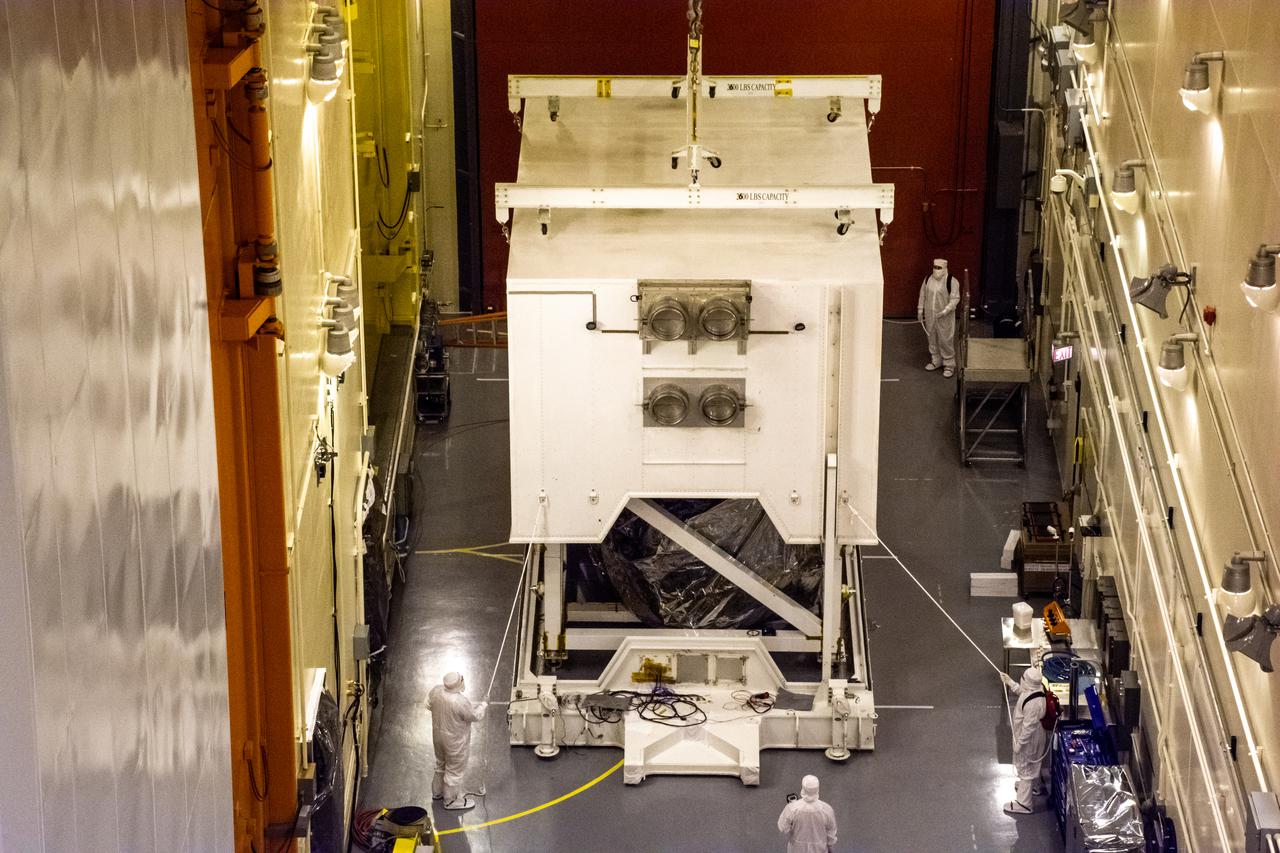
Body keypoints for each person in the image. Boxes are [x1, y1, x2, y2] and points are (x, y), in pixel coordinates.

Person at [428, 671, 488, 810]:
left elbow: (429, 704)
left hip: (438, 737)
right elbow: (474, 716)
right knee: (454, 770)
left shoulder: (436, 691)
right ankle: (450, 801)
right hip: (454, 742)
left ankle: (437, 792)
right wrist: (484, 704)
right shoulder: (460, 701)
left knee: (440, 764)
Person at [1001, 666, 1048, 814]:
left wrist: (1019, 744)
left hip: (1030, 739)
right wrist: (1010, 682)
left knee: (1025, 767)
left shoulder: (1034, 704)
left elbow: (1028, 728)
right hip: (1034, 735)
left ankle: (1024, 804)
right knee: (1031, 764)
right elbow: (1024, 694)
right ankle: (1032, 787)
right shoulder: (1035, 691)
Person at [916, 258, 960, 378]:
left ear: (945, 268)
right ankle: (936, 360)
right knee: (932, 336)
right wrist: (920, 310)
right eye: (935, 267)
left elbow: (955, 298)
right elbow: (922, 294)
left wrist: (946, 310)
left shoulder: (951, 281)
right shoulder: (928, 279)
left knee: (945, 339)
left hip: (944, 316)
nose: (936, 270)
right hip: (930, 315)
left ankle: (949, 364)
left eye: (939, 268)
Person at [777, 774, 838, 853]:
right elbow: (831, 834)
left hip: (796, 849)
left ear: (803, 788)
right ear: (817, 789)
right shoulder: (826, 809)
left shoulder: (792, 808)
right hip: (819, 849)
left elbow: (783, 827)